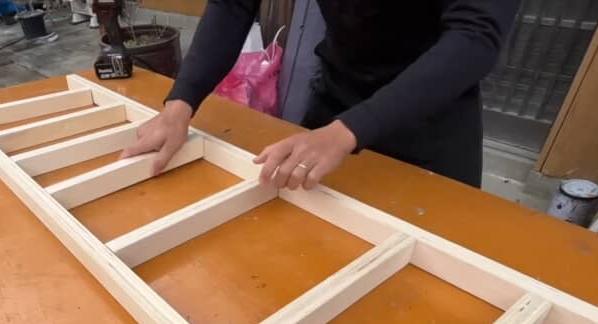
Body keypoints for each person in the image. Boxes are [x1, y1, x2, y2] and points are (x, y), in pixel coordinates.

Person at [120, 0, 521, 191]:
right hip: (337, 100)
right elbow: (234, 5)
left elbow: (475, 38)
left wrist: (347, 131)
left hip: (428, 124)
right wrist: (181, 103)